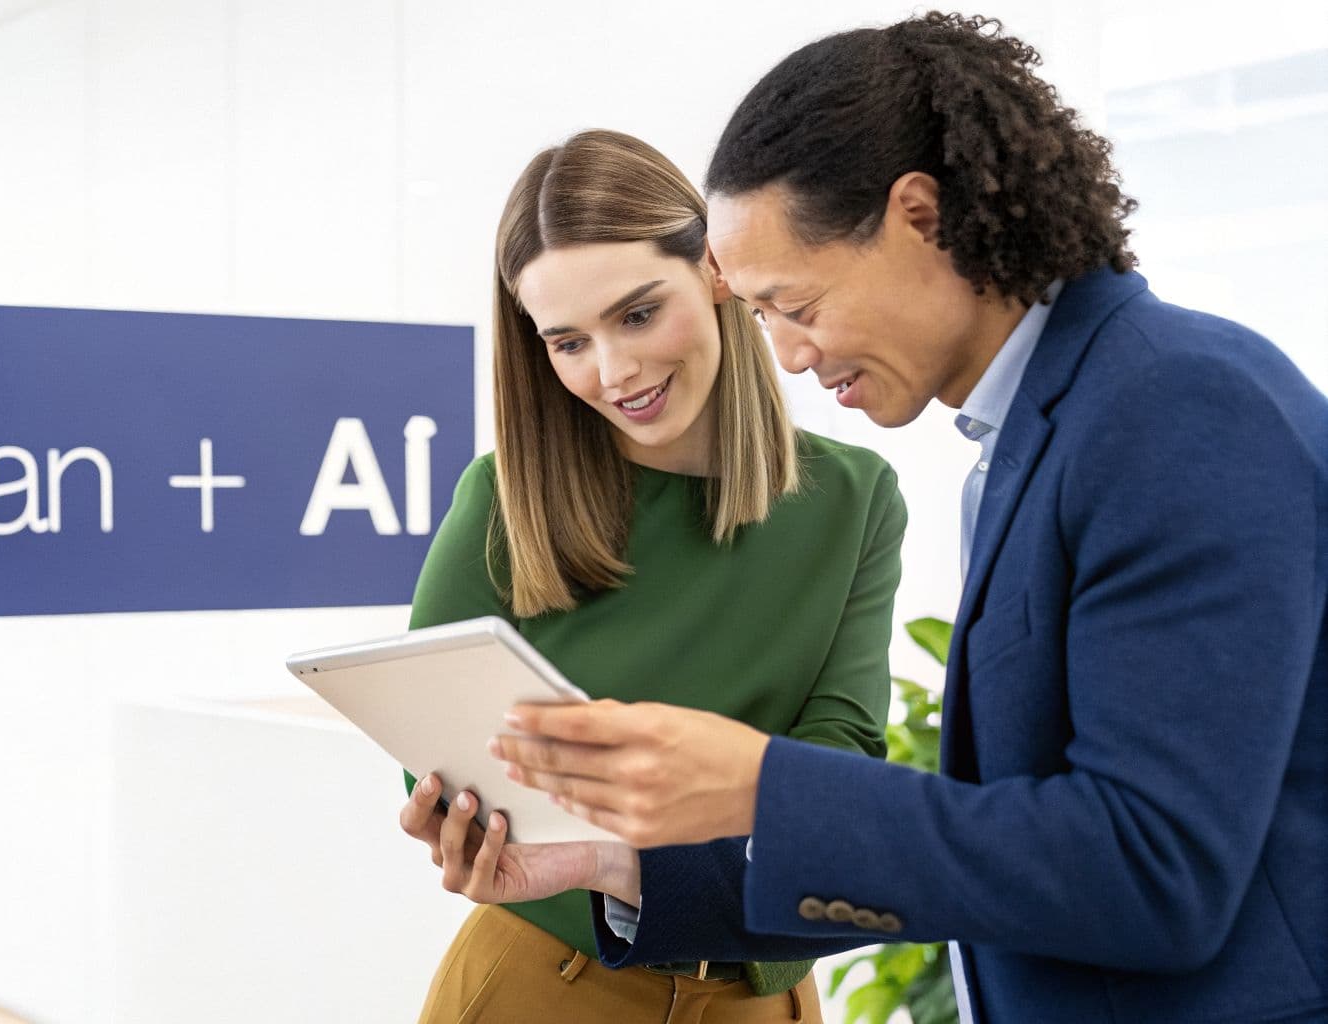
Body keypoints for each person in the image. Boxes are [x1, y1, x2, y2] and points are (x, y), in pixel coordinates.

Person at [491, 13, 1328, 1024]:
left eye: (796, 305)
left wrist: (764, 784)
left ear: (919, 217)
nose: (789, 355)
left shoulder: (1178, 406)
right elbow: (1008, 849)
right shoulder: (1038, 436)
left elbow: (1152, 870)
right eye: (761, 317)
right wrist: (620, 863)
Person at [397, 128, 907, 1023]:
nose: (614, 372)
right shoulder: (504, 503)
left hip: (761, 996)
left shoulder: (854, 499)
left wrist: (625, 840)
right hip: (544, 984)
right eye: (568, 342)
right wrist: (462, 815)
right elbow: (436, 758)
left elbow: (837, 776)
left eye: (636, 315)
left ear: (715, 268)